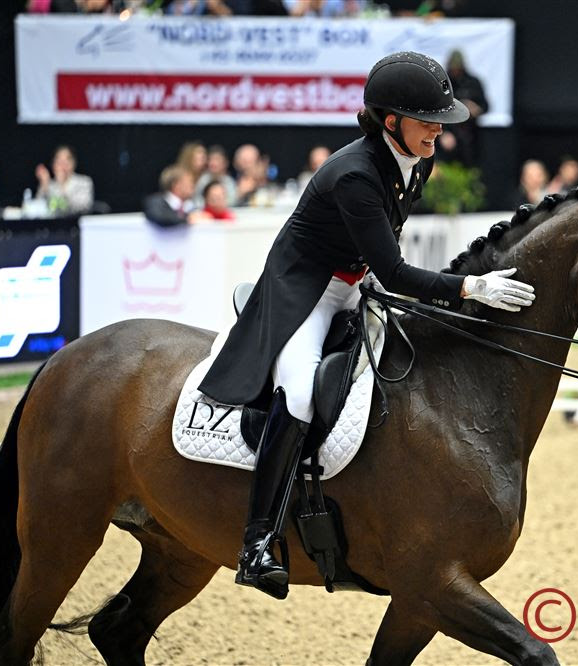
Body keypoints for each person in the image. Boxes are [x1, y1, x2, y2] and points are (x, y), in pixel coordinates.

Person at [197, 51, 536, 600]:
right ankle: (257, 543)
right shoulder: (354, 174)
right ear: (390, 121)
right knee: (302, 394)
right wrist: (472, 288)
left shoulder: (414, 161)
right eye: (428, 120)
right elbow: (397, 271)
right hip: (304, 290)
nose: (438, 131)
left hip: (354, 283)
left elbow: (384, 250)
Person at [434, 49, 488, 165]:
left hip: (470, 135)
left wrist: (475, 108)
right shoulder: (444, 82)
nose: (456, 71)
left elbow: (486, 106)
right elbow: (437, 109)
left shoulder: (473, 82)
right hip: (449, 131)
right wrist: (443, 133)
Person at [35, 145, 94, 215]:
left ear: (73, 163)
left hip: (74, 223)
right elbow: (37, 209)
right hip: (52, 224)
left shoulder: (83, 182)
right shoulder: (50, 185)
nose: (62, 165)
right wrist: (44, 184)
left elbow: (81, 207)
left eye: (66, 160)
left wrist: (62, 185)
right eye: (58, 161)